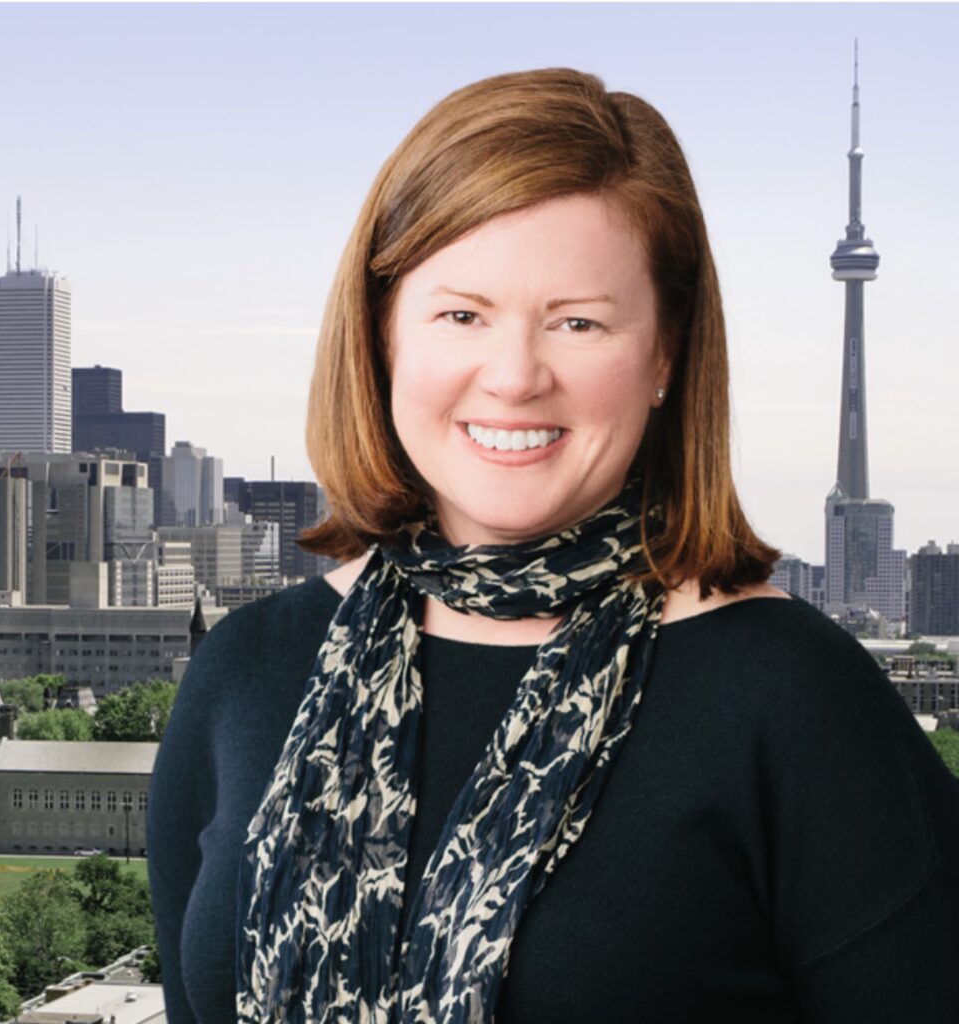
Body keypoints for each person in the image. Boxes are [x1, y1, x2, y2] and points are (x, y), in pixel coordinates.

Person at [146, 68, 959, 1023]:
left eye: (577, 322)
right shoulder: (248, 672)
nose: (515, 376)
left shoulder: (794, 701)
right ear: (383, 336)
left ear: (664, 354)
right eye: (462, 315)